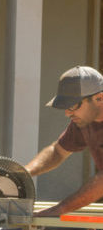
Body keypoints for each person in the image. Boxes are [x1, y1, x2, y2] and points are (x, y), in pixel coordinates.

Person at [24, 65, 103, 215]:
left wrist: (60, 209)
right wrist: (25, 172)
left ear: (99, 98)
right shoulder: (84, 122)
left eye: (73, 106)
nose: (67, 113)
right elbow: (58, 152)